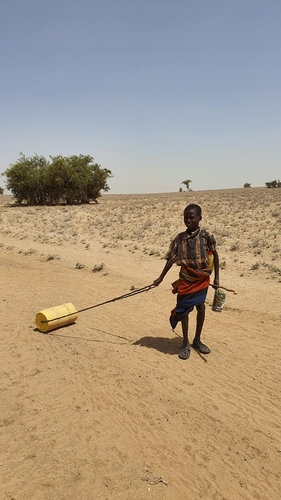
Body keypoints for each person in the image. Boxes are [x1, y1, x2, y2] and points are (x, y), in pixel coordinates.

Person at [153, 204, 219, 360]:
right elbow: (171, 259)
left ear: (199, 218)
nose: (188, 220)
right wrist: (160, 278)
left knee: (201, 307)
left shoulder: (207, 236)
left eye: (192, 217)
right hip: (185, 279)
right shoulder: (179, 238)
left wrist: (217, 278)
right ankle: (185, 343)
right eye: (186, 218)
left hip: (202, 279)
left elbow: (215, 256)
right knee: (184, 311)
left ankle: (197, 340)